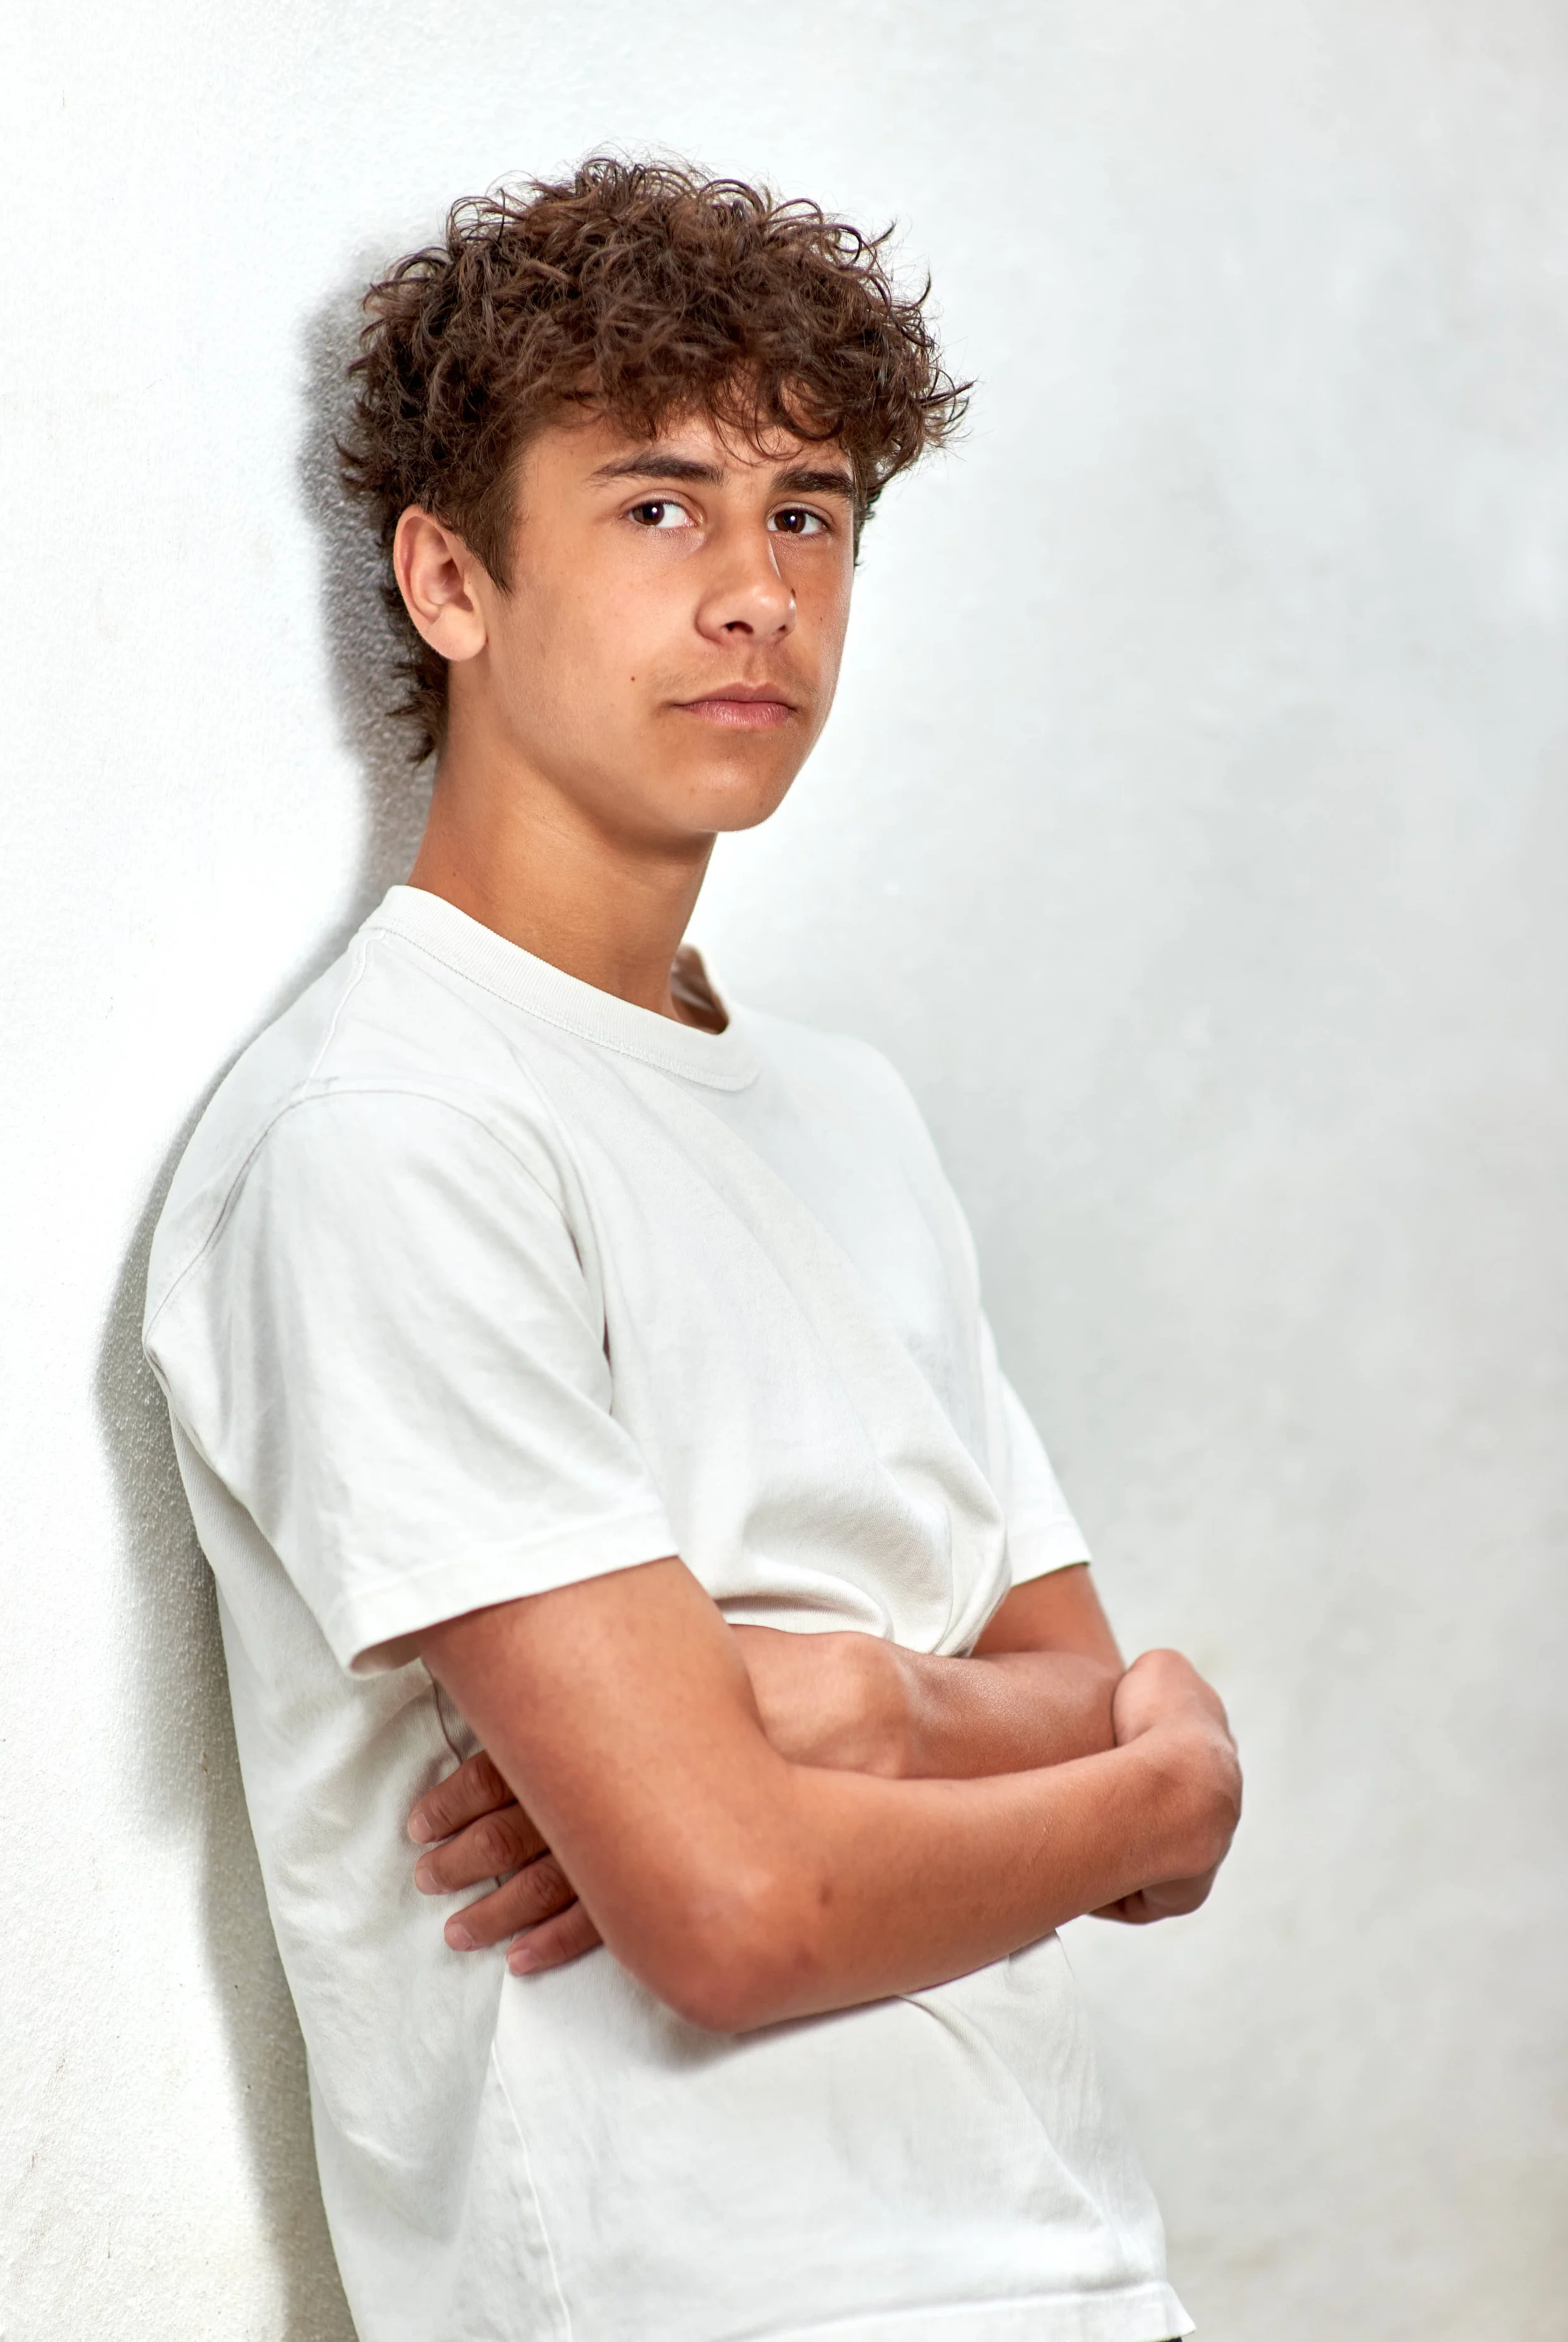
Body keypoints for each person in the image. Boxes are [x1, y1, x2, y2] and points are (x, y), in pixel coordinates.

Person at [144, 158, 1239, 2342]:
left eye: (809, 514)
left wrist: (860, 1704)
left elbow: (1082, 1718)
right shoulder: (394, 1133)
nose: (756, 593)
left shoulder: (848, 1114)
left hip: (1076, 2274)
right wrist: (1153, 1778)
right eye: (659, 508)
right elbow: (737, 1903)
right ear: (449, 579)